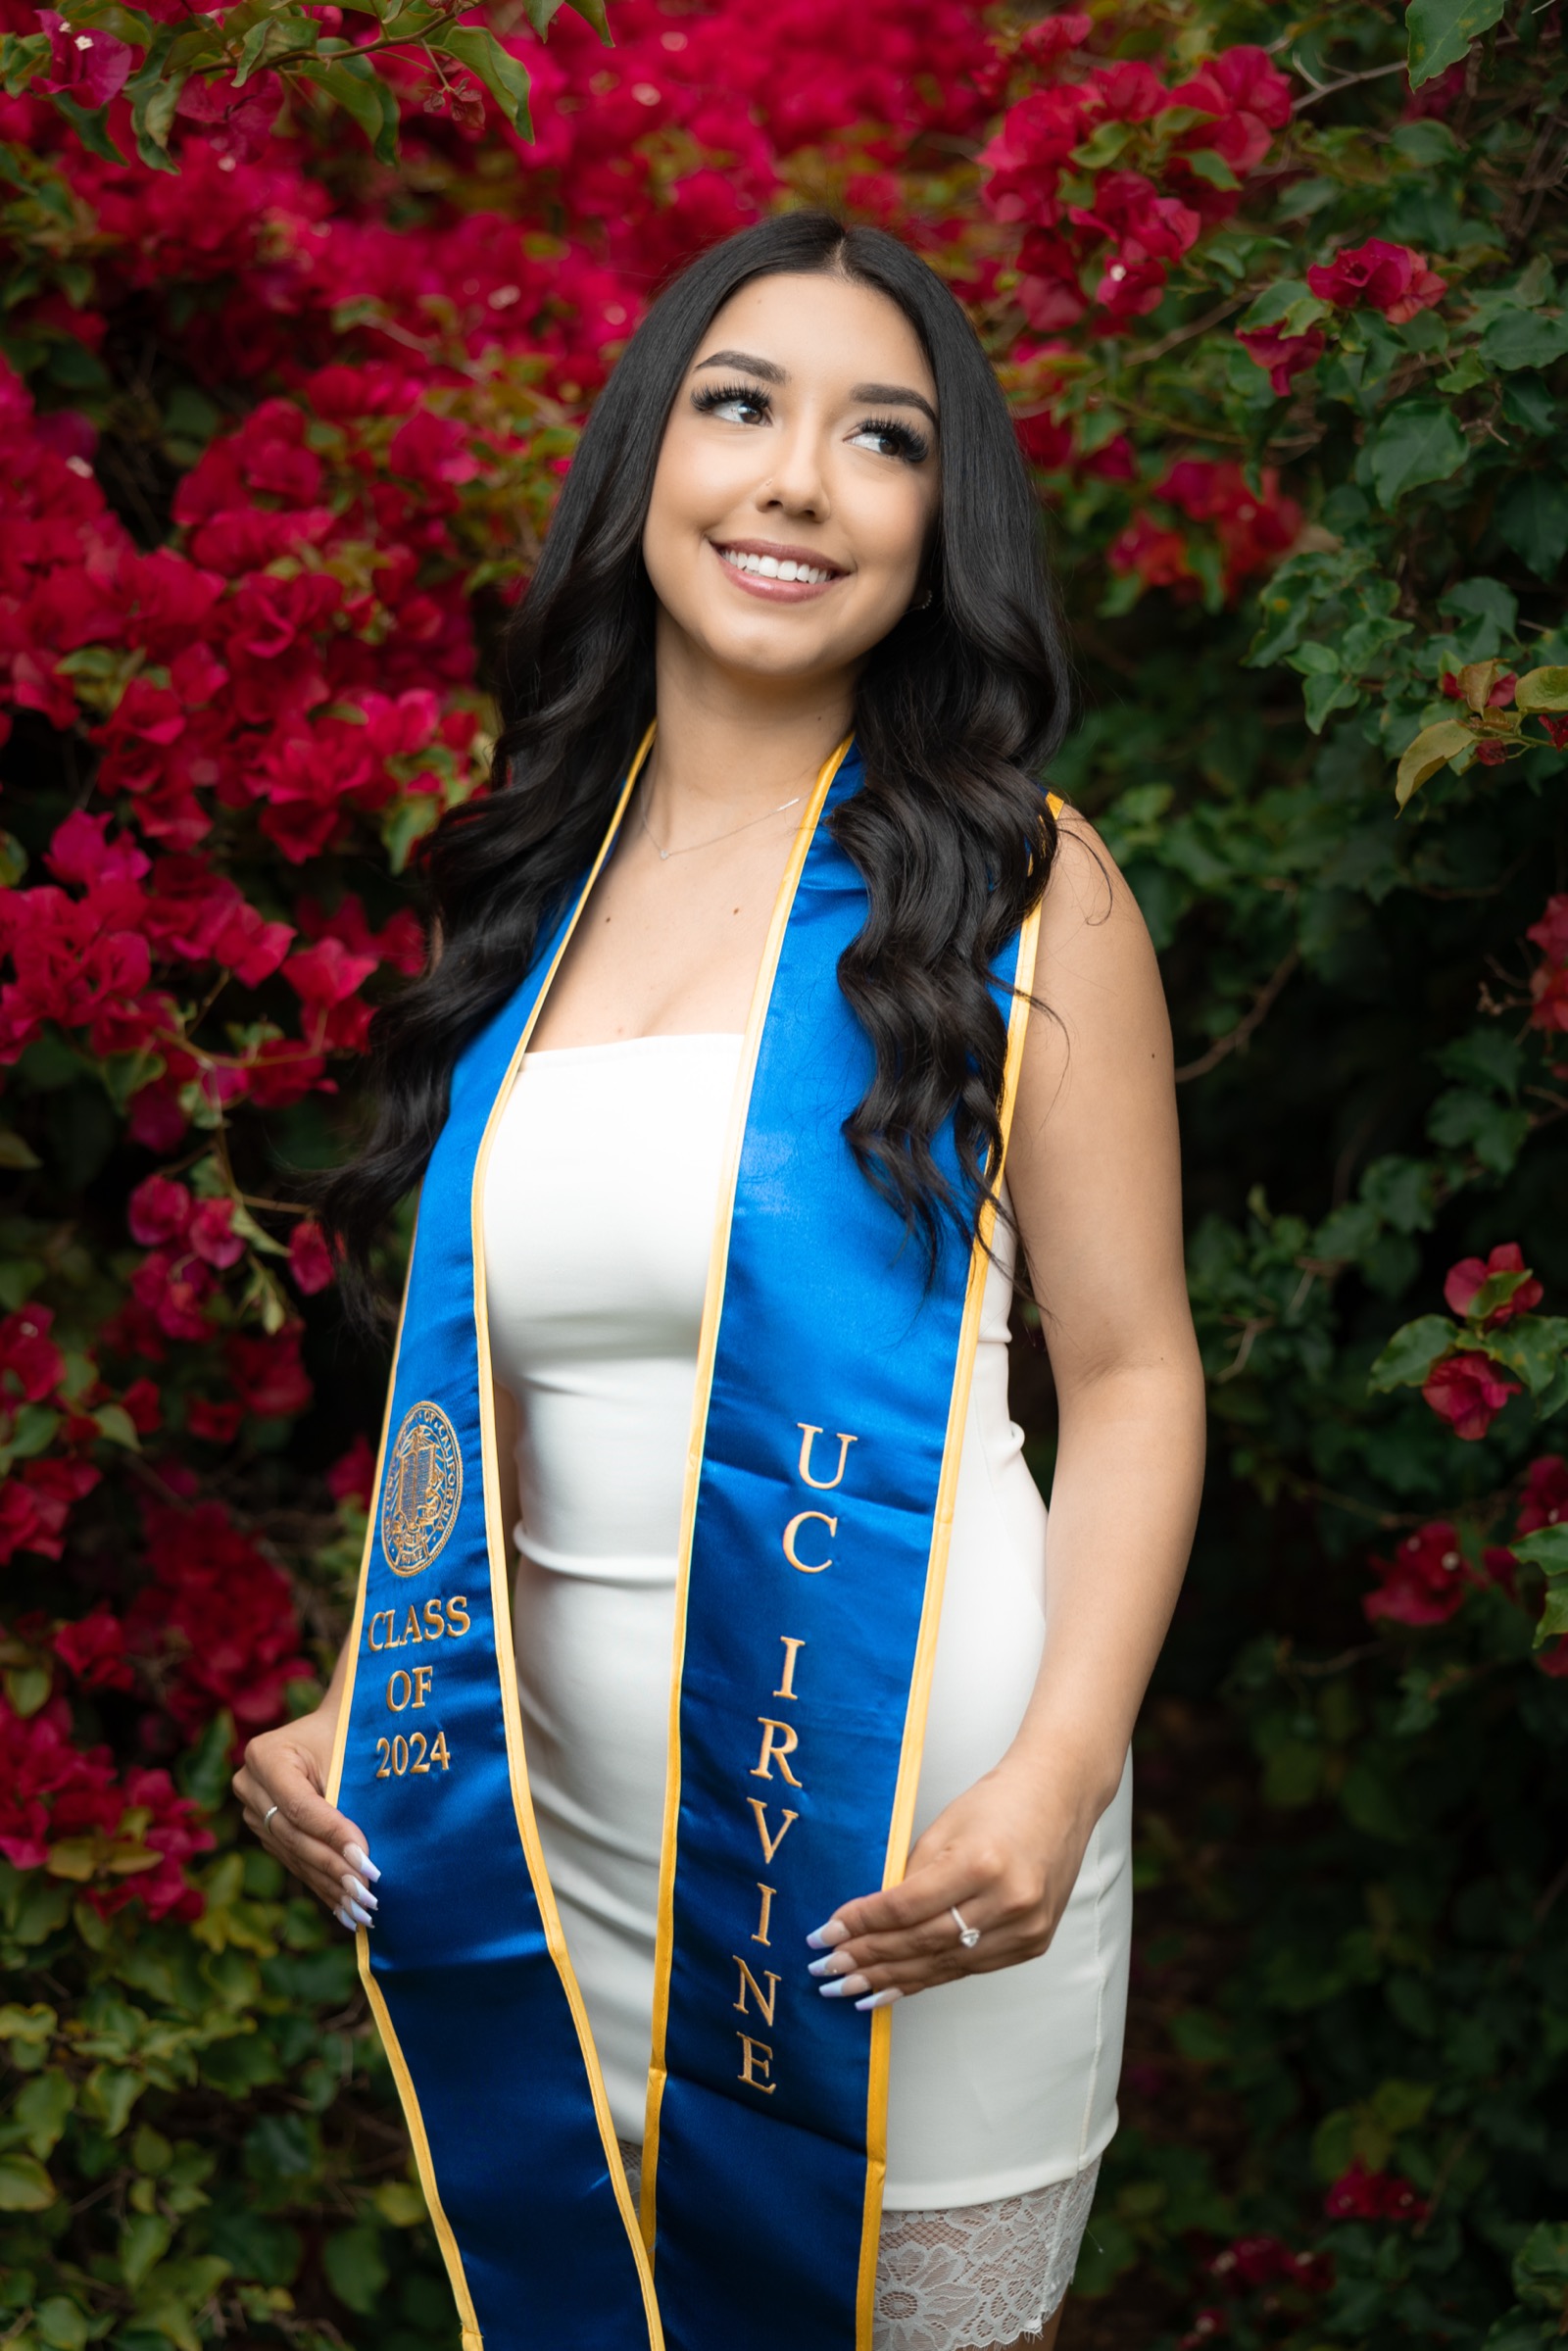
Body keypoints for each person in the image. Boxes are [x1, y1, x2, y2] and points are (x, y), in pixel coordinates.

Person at [233, 212, 1205, 2351]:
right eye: (738, 406)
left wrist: (1053, 1774)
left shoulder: (1026, 899)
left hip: (898, 1848)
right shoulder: (520, 900)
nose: (791, 481)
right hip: (533, 1831)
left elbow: (1128, 1376)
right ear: (642, 461)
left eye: (879, 439)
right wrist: (353, 1698)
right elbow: (503, 1389)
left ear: (936, 525)